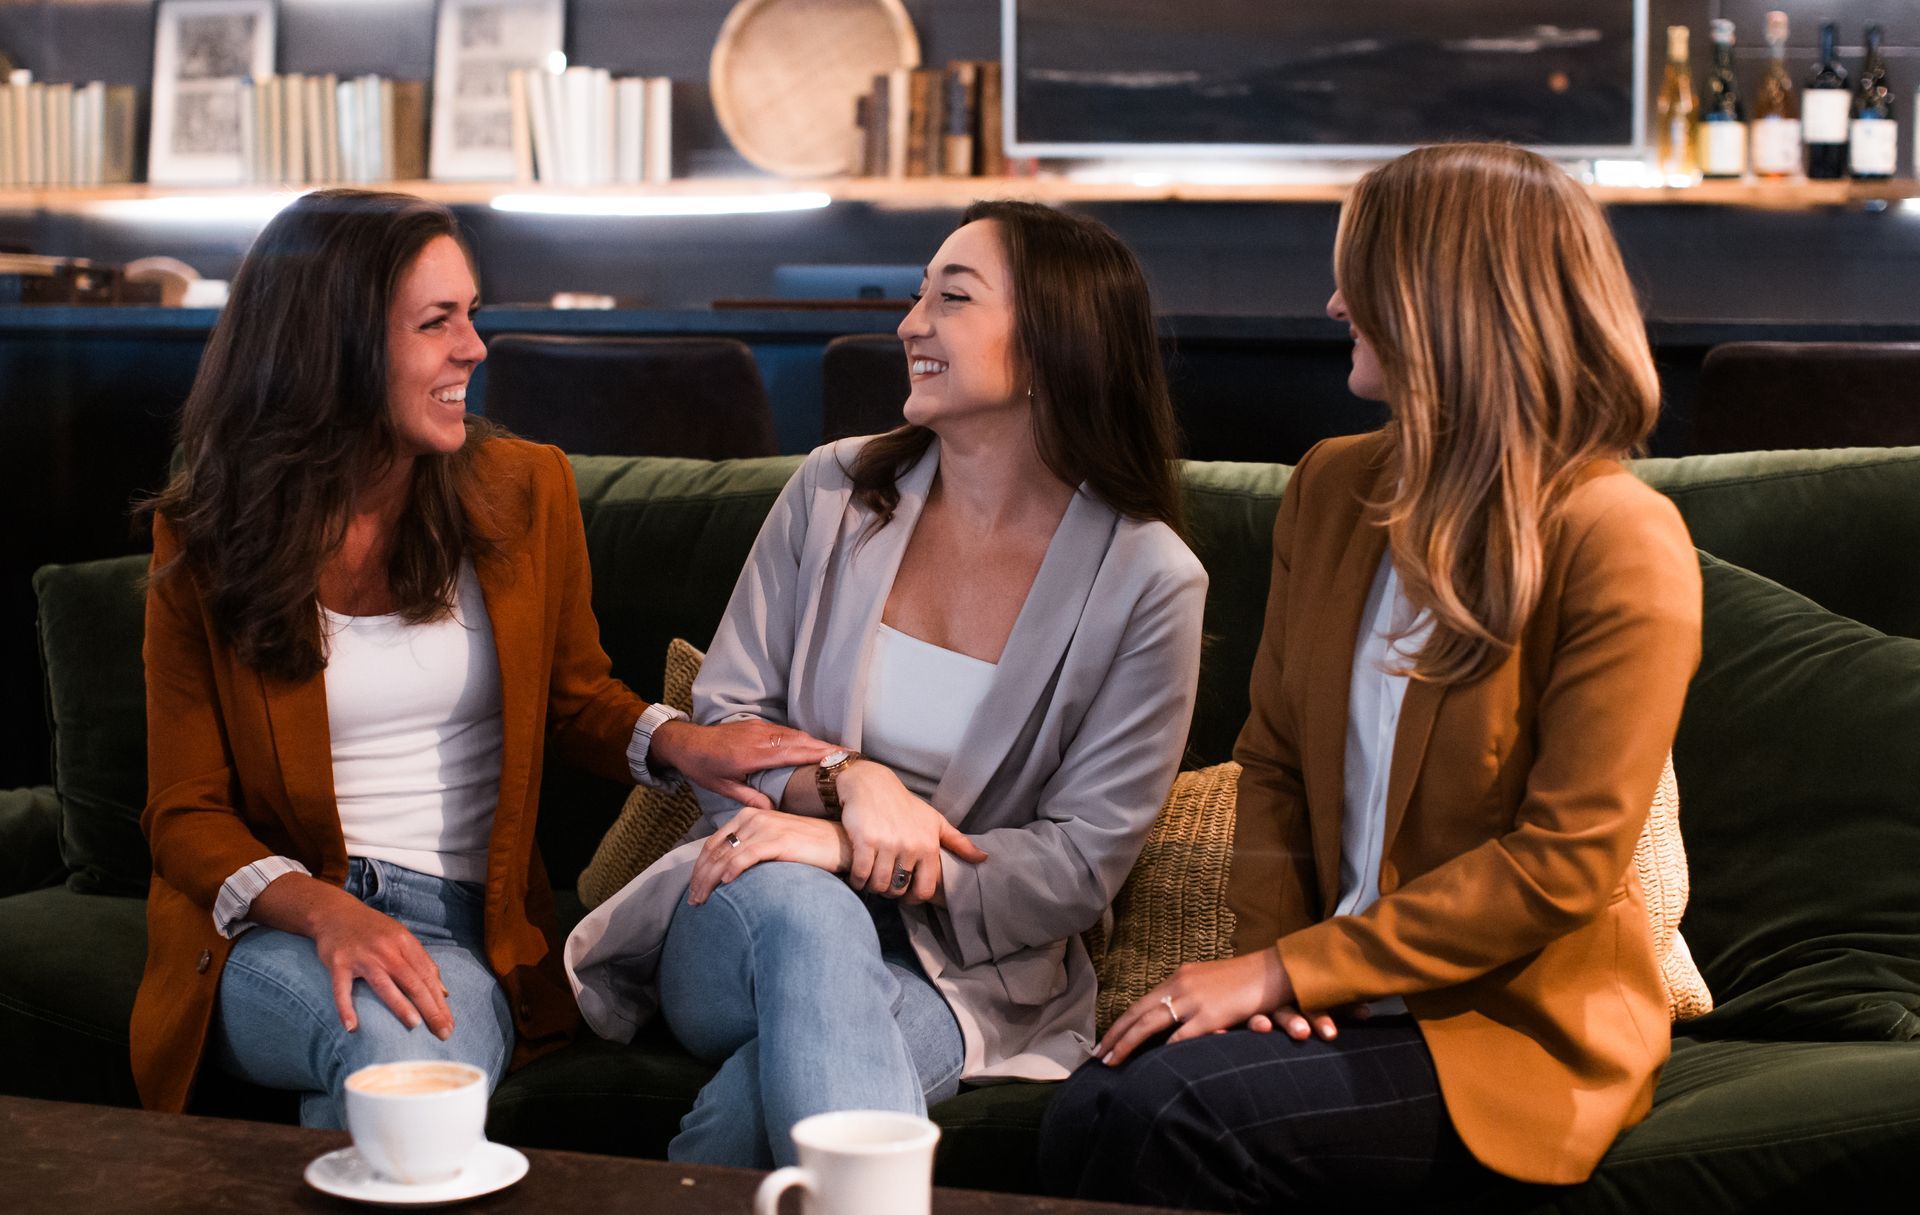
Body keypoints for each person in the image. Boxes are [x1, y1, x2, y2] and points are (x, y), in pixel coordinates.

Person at [1039, 143, 1705, 1209]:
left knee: (1151, 1110)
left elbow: (1561, 866)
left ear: (1444, 299)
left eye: (1363, 274)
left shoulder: (1619, 536)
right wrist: (1275, 984)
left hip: (1501, 1030)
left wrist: (1289, 972)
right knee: (1104, 1096)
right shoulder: (1332, 485)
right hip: (1331, 1001)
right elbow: (1273, 764)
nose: (1336, 300)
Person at [132, 189, 832, 1126]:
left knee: (407, 1047)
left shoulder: (522, 489)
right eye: (436, 322)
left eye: (471, 314)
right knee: (390, 1049)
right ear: (332, 345)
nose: (475, 347)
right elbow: (184, 813)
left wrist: (682, 745)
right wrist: (325, 911)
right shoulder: (206, 536)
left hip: (471, 924)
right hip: (279, 923)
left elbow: (575, 697)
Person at [566, 200, 1209, 1167]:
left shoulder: (1149, 581)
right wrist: (846, 780)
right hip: (746, 908)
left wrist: (844, 847)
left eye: (951, 298)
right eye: (919, 295)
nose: (910, 323)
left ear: (1048, 346)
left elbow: (1077, 868)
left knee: (753, 1113)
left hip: (974, 976)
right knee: (809, 910)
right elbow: (727, 720)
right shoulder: (832, 491)